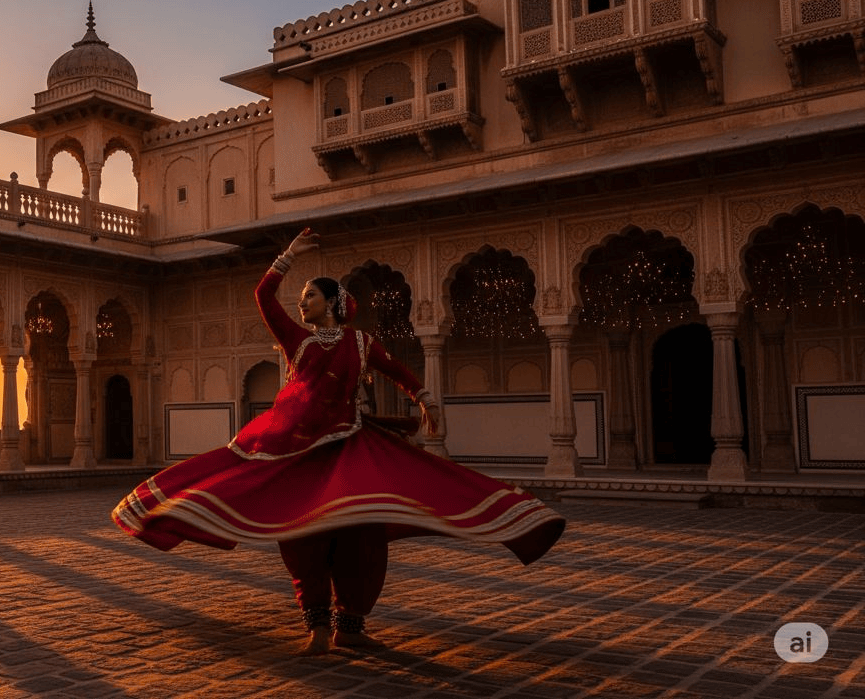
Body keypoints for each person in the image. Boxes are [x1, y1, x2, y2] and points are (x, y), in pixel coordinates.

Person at [113, 228, 565, 656]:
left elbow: (399, 372)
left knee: (361, 534)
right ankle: (318, 626)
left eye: (309, 294)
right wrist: (287, 256)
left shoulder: (361, 343)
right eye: (302, 295)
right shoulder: (298, 341)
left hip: (348, 447)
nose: (301, 302)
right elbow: (263, 296)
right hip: (292, 450)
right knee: (301, 533)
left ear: (332, 302)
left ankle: (351, 626)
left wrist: (424, 397)